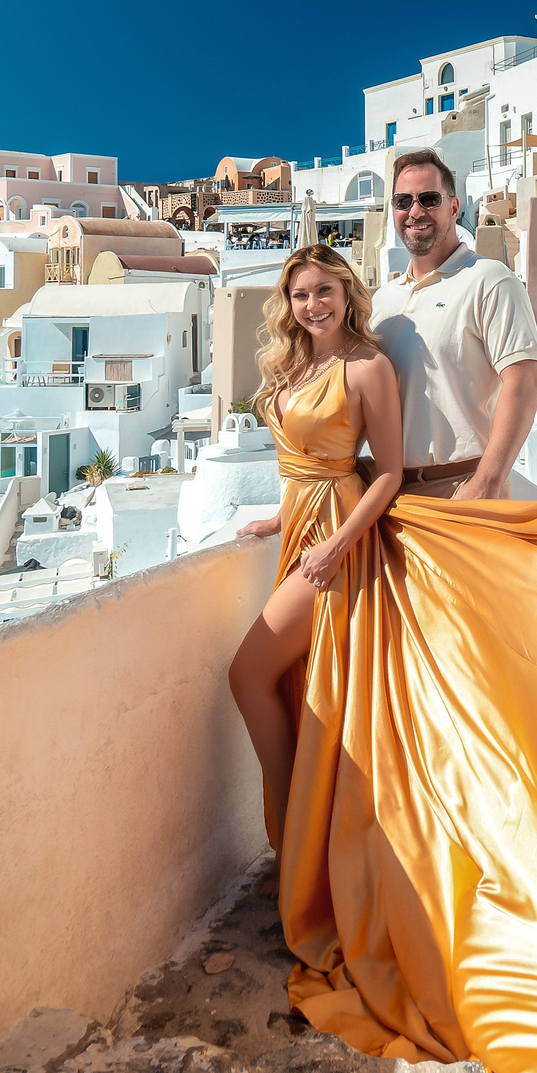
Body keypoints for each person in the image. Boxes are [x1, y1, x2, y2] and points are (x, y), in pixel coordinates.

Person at [222, 243, 402, 851]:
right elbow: (300, 461)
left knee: (249, 674)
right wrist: (279, 518)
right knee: (298, 683)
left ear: (347, 293)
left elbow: (388, 473)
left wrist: (336, 547)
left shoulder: (367, 365)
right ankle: (304, 828)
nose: (313, 304)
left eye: (324, 290)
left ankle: (295, 825)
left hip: (336, 532)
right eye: (301, 294)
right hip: (300, 520)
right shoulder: (292, 367)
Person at [368, 149, 537, 499]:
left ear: (453, 207)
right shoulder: (381, 301)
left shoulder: (489, 279)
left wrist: (486, 482)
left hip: (463, 488)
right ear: (393, 211)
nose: (415, 211)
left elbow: (525, 381)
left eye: (429, 199)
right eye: (403, 201)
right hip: (392, 496)